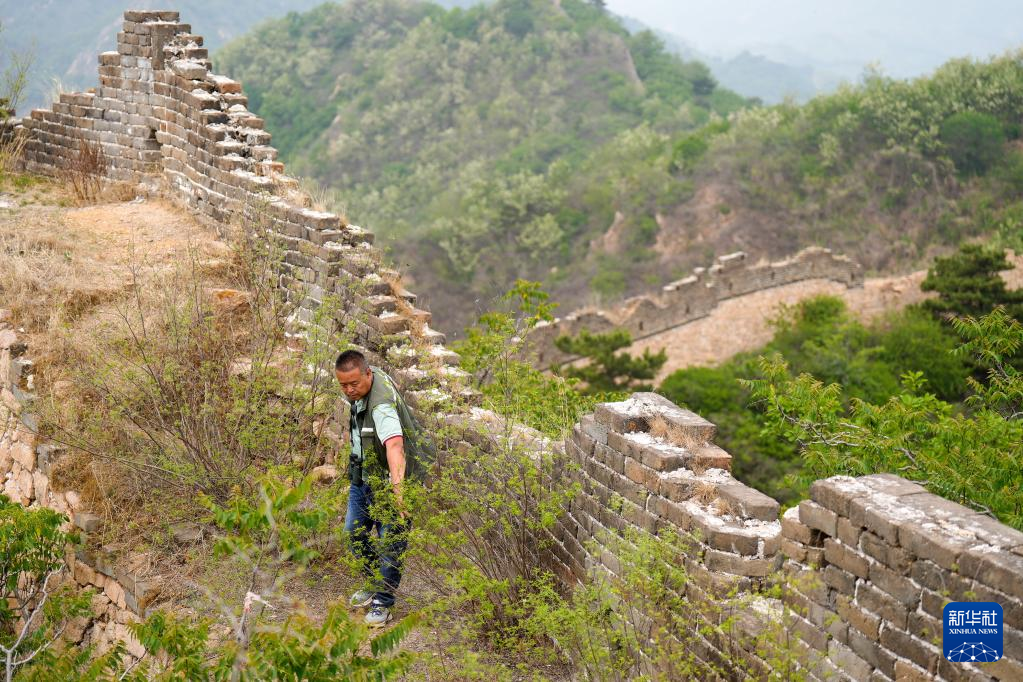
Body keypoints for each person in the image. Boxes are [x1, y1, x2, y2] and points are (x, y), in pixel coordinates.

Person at [335, 349, 428, 627]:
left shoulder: (381, 406)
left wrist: (399, 494)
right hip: (364, 476)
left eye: (354, 384)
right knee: (353, 533)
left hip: (391, 480)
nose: (349, 390)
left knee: (390, 542)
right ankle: (376, 582)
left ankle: (383, 602)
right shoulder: (368, 380)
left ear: (368, 374)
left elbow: (395, 446)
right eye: (343, 385)